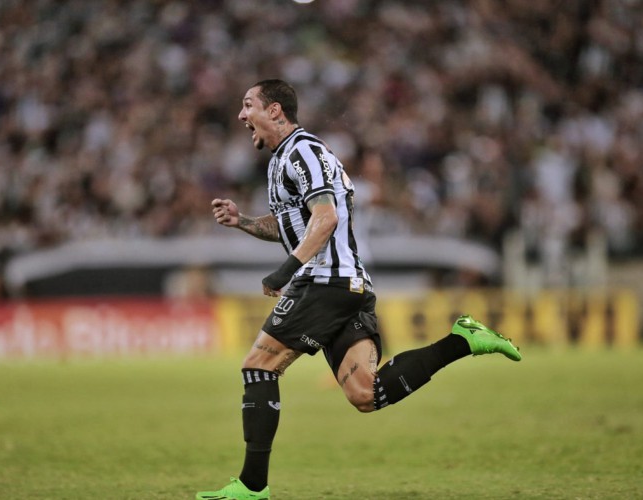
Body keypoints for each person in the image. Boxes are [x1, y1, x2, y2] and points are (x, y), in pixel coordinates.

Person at [197, 79, 521, 500]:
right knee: (366, 393)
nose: (241, 116)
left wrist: (285, 271)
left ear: (275, 110)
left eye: (248, 105)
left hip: (325, 280)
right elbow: (288, 226)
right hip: (347, 286)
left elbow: (326, 217)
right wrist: (242, 221)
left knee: (258, 366)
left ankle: (252, 486)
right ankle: (463, 340)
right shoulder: (283, 161)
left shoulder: (303, 151)